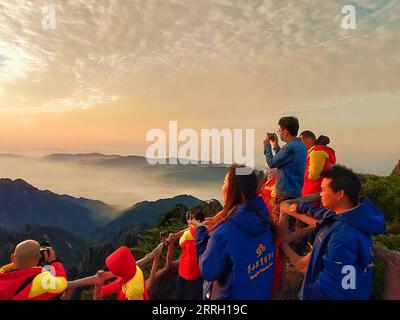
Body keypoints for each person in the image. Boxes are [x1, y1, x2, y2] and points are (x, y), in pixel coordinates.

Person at [290, 165, 386, 300]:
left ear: (340, 194)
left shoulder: (342, 235)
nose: (320, 194)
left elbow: (332, 284)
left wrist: (306, 294)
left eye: (323, 190)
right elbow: (324, 213)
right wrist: (301, 207)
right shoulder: (353, 218)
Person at [191, 164, 276, 300]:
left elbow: (208, 271)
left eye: (224, 182)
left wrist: (200, 233)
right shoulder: (264, 218)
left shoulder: (225, 232)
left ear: (234, 189)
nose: (222, 186)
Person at [263, 116, 307, 222]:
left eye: (280, 131)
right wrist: (275, 145)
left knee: (279, 221)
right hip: (296, 190)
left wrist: (266, 145)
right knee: (291, 222)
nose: (279, 133)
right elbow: (283, 160)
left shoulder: (290, 147)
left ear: (286, 132)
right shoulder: (301, 145)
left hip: (284, 192)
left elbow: (272, 163)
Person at [0, 240, 67, 300]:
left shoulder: (2, 277)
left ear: (12, 258)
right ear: (37, 258)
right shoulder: (40, 282)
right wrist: (54, 262)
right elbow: (62, 282)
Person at [176, 210, 204, 300]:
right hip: (197, 269)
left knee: (181, 293)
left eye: (193, 219)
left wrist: (189, 227)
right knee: (196, 294)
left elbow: (181, 243)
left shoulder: (187, 234)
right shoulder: (204, 232)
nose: (191, 220)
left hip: (185, 269)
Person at [300, 131, 336, 197]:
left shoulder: (316, 152)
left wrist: (304, 172)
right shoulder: (317, 152)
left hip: (313, 193)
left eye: (301, 141)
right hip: (314, 192)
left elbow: (313, 175)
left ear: (308, 140)